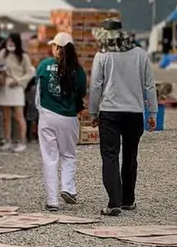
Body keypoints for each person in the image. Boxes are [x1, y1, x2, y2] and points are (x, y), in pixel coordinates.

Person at [89, 19, 157, 216]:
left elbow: (95, 86)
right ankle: (128, 200)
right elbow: (149, 85)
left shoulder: (102, 55)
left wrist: (93, 113)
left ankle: (114, 202)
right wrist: (152, 112)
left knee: (110, 156)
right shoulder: (140, 54)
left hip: (110, 112)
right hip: (134, 112)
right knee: (130, 156)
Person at [35, 33, 87, 210]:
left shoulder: (44, 66)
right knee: (68, 155)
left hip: (48, 116)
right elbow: (81, 92)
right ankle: (68, 188)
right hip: (69, 117)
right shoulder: (77, 70)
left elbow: (37, 90)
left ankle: (52, 200)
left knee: (50, 158)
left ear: (56, 47)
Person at [0, 32, 35, 152]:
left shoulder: (23, 56)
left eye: (12, 42)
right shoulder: (3, 53)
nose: (10, 44)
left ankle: (22, 141)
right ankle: (7, 140)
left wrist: (19, 81)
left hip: (16, 87)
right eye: (8, 41)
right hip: (4, 86)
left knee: (18, 116)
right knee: (5, 117)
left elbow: (30, 72)